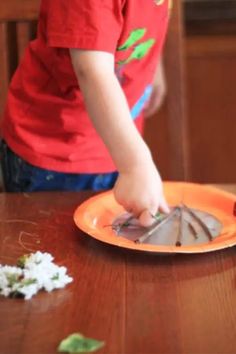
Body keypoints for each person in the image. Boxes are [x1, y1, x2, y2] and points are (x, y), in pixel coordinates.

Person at [0, 0, 170, 226]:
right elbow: (92, 71)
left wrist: (154, 67)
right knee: (57, 253)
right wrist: (135, 165)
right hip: (56, 151)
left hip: (114, 146)